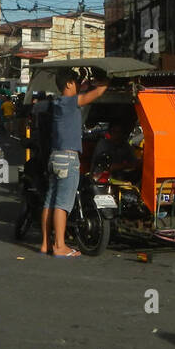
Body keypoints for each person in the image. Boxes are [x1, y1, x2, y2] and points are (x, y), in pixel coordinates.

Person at [41, 68, 109, 257]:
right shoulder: (71, 102)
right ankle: (60, 246)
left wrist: (86, 82)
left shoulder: (57, 102)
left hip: (55, 157)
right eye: (75, 82)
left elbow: (84, 89)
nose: (79, 85)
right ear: (69, 84)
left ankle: (46, 244)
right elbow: (96, 93)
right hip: (68, 159)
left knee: (50, 202)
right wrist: (105, 82)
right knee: (62, 204)